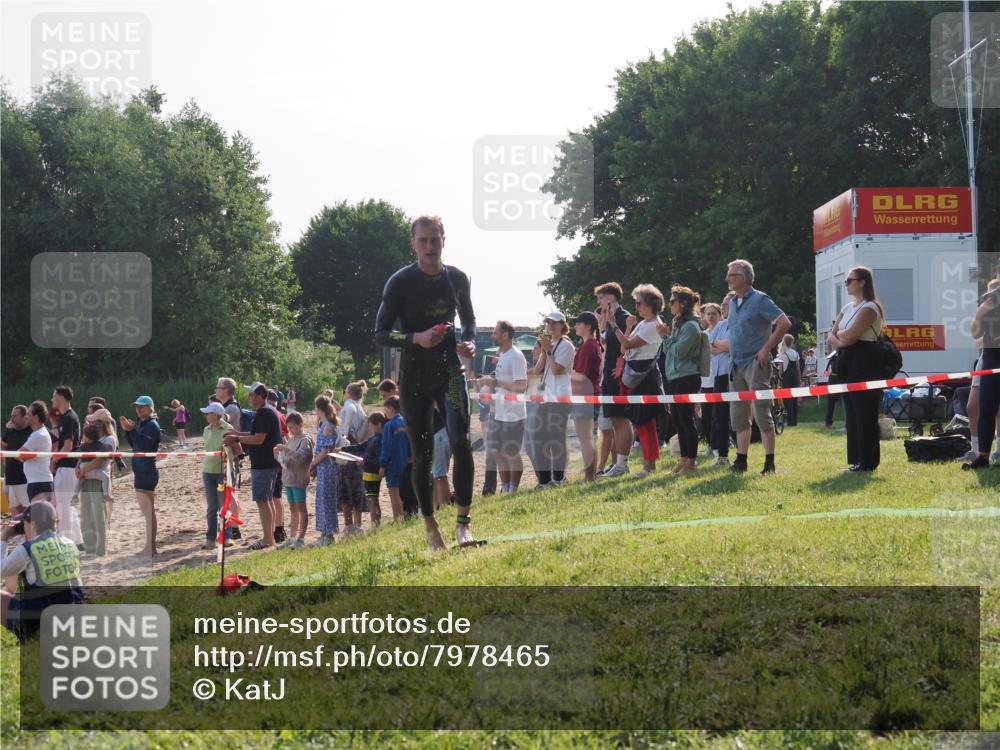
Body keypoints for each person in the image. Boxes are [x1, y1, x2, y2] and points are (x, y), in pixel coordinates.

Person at [373, 215, 478, 550]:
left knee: (461, 442)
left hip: (449, 372)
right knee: (423, 453)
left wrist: (470, 342)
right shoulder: (400, 282)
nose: (429, 246)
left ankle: (463, 524)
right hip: (415, 378)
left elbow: (470, 320)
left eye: (435, 239)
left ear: (444, 240)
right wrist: (415, 337)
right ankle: (431, 525)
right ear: (413, 243)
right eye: (423, 241)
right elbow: (380, 333)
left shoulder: (458, 278)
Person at [724, 259, 792, 474]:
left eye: (731, 275)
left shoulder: (761, 300)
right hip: (736, 365)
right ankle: (741, 460)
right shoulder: (733, 302)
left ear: (743, 278)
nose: (727, 278)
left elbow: (784, 323)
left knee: (762, 412)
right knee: (738, 415)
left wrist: (766, 349)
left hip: (756, 363)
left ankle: (769, 461)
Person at [827, 266, 885, 472]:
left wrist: (842, 337)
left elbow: (852, 334)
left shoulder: (870, 307)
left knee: (865, 412)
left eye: (850, 280)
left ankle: (868, 461)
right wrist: (842, 340)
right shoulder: (847, 307)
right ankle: (856, 460)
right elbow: (832, 336)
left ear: (862, 282)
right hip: (847, 361)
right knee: (851, 412)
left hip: (866, 361)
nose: (847, 284)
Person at [1, 501, 83, 639]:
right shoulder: (70, 544)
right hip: (74, 617)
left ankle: (27, 635)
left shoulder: (28, 549)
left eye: (24, 524)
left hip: (40, 623)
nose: (23, 527)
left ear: (32, 524)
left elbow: (2, 572)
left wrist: (3, 538)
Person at [611, 284, 667, 478]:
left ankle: (649, 467)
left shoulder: (654, 325)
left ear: (651, 303)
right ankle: (646, 465)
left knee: (646, 423)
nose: (636, 307)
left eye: (639, 303)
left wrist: (613, 325)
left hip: (645, 378)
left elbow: (625, 344)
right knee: (639, 423)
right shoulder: (643, 323)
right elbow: (623, 349)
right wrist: (627, 327)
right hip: (635, 375)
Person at [223, 382, 283, 550]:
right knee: (267, 500)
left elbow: (258, 439)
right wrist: (237, 434)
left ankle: (267, 539)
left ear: (259, 397)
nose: (249, 397)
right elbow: (255, 434)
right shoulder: (266, 411)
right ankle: (269, 537)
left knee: (263, 502)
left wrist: (236, 439)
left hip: (264, 463)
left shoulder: (264, 412)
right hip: (269, 462)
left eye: (251, 395)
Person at [480, 320, 528, 493]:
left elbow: (522, 386)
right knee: (497, 452)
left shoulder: (516, 355)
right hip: (498, 411)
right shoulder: (503, 355)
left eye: (495, 332)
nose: (493, 335)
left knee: (511, 452)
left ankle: (513, 488)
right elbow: (500, 384)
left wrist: (495, 381)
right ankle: (505, 486)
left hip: (513, 413)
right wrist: (488, 383)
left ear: (505, 335)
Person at [663, 285, 704, 474]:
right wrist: (667, 338)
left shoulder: (691, 326)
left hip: (687, 377)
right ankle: (684, 458)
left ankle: (692, 463)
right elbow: (667, 350)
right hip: (674, 377)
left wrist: (665, 336)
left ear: (683, 303)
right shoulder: (677, 322)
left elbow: (679, 352)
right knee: (678, 421)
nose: (669, 304)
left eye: (672, 301)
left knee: (686, 421)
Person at [595, 282, 634, 477]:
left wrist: (612, 325)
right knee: (614, 419)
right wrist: (603, 329)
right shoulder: (610, 319)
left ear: (610, 297)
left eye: (601, 297)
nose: (599, 301)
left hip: (618, 375)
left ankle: (622, 463)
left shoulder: (624, 317)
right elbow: (607, 345)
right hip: (609, 375)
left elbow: (625, 347)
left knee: (621, 418)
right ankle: (618, 463)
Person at [532, 312, 575, 487]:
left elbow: (557, 370)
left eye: (554, 323)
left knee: (555, 438)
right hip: (546, 398)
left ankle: (558, 478)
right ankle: (544, 481)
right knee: (539, 438)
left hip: (560, 398)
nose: (550, 326)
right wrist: (544, 350)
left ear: (562, 325)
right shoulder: (550, 345)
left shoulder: (567, 345)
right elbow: (537, 371)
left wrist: (549, 350)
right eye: (548, 323)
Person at [962, 277, 1000, 470]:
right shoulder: (989, 298)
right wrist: (979, 314)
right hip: (992, 359)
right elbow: (976, 334)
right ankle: (982, 457)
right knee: (986, 408)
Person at [120, 395, 162, 556]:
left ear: (150, 408)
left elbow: (144, 446)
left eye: (141, 406)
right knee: (146, 512)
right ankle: (150, 547)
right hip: (140, 470)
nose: (138, 409)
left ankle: (151, 548)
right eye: (137, 407)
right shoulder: (143, 424)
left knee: (148, 511)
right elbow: (135, 445)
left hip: (147, 471)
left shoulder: (152, 425)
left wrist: (132, 431)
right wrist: (128, 431)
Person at [49, 385, 84, 548]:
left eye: (54, 396)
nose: (52, 399)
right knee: (68, 506)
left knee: (63, 508)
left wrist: (54, 461)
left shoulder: (69, 418)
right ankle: (77, 541)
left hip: (67, 467)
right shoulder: (66, 417)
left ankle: (66, 543)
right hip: (69, 467)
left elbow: (68, 446)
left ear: (61, 398)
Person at [570, 312, 603, 481]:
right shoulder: (590, 345)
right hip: (587, 397)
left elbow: (580, 376)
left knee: (586, 439)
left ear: (588, 326)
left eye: (578, 323)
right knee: (588, 438)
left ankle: (590, 477)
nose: (575, 325)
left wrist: (565, 375)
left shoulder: (589, 346)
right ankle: (590, 475)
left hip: (585, 398)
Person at [274, 411, 314, 548]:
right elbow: (285, 461)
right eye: (288, 427)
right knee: (292, 508)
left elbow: (301, 458)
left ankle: (301, 538)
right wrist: (277, 454)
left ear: (300, 425)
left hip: (299, 479)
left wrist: (285, 448)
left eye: (292, 427)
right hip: (288, 479)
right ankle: (292, 537)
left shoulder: (305, 440)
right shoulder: (291, 439)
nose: (290, 430)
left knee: (301, 507)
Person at [200, 402, 235, 550]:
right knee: (211, 507)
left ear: (215, 415)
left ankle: (227, 536)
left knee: (223, 505)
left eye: (208, 413)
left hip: (223, 472)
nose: (206, 416)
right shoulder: (206, 429)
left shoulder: (228, 429)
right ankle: (210, 538)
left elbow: (234, 450)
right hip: (208, 472)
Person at [707, 293, 735, 466]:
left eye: (726, 304)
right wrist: (722, 346)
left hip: (732, 373)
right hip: (718, 375)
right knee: (720, 415)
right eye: (723, 304)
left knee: (737, 413)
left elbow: (733, 345)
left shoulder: (738, 324)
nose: (723, 307)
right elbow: (709, 346)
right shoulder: (721, 324)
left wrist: (722, 346)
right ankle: (722, 455)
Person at [74, 423, 109, 556]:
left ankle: (100, 550)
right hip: (85, 482)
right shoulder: (83, 447)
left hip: (96, 482)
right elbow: (79, 459)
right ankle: (90, 548)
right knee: (86, 515)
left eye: (84, 434)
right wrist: (77, 470)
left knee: (98, 516)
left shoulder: (101, 446)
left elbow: (99, 461)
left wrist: (83, 470)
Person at [308, 396, 340, 545]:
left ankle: (328, 535)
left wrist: (313, 464)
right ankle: (324, 533)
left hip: (327, 467)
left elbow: (326, 450)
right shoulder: (324, 424)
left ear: (318, 408)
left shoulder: (327, 427)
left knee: (326, 501)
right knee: (322, 500)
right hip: (323, 468)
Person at [338, 382, 369, 534]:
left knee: (346, 488)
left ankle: (349, 525)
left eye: (345, 391)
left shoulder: (350, 405)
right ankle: (357, 525)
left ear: (349, 392)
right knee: (357, 487)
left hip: (348, 448)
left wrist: (342, 437)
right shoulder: (360, 407)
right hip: (359, 449)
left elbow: (345, 427)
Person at [85, 408, 118, 527]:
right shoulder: (95, 439)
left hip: (99, 480)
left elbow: (100, 459)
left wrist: (83, 470)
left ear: (101, 423)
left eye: (93, 421)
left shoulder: (109, 439)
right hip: (91, 478)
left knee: (101, 517)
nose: (90, 424)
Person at [379, 396, 410, 522]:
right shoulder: (404, 421)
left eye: (385, 408)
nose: (385, 412)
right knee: (401, 491)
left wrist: (382, 464)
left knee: (393, 492)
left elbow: (386, 446)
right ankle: (403, 516)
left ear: (391, 408)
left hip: (392, 463)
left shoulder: (389, 425)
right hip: (404, 461)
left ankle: (398, 518)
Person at [17, 402, 54, 502]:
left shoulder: (38, 435)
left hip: (39, 483)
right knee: (38, 516)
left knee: (39, 517)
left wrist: (24, 457)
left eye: (28, 414)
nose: (25, 417)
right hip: (38, 482)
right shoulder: (38, 433)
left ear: (36, 417)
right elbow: (21, 456)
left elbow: (19, 455)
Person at [266, 389, 289, 543]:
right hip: (279, 459)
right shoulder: (281, 415)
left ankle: (278, 529)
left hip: (273, 459)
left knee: (274, 496)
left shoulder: (272, 414)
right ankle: (279, 529)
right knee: (276, 496)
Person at [1, 406, 31, 515]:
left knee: (27, 509)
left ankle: (28, 531)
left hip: (24, 478)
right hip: (10, 476)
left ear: (24, 417)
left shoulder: (33, 431)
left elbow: (54, 442)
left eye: (15, 416)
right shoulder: (10, 431)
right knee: (14, 509)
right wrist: (4, 456)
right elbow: (2, 443)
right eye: (11, 416)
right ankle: (20, 531)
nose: (11, 419)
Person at [775, 334, 801, 427]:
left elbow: (781, 369)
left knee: (787, 400)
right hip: (795, 378)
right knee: (794, 400)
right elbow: (798, 368)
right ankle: (794, 421)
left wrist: (779, 379)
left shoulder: (783, 354)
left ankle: (790, 421)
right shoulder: (795, 353)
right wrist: (799, 380)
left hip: (786, 379)